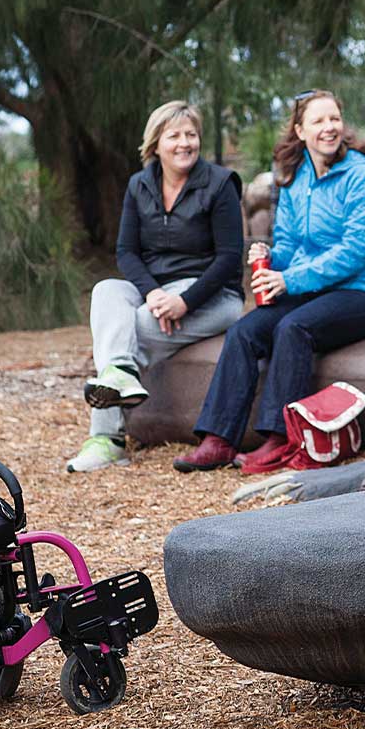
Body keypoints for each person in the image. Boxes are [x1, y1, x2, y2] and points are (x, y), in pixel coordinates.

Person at [173, 90, 365, 472]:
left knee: (293, 327)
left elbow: (354, 252)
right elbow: (290, 243)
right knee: (244, 331)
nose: (329, 128)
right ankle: (219, 439)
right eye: (319, 121)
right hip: (307, 288)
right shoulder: (297, 177)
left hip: (360, 293)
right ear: (300, 130)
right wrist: (272, 259)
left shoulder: (363, 178)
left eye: (334, 119)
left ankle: (279, 439)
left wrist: (290, 278)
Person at [71, 100, 246, 472]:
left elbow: (230, 258)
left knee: (131, 329)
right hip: (155, 290)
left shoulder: (219, 184)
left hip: (212, 294)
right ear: (155, 144)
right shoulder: (139, 185)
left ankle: (107, 439)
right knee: (106, 291)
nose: (185, 143)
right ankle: (119, 373)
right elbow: (126, 251)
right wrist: (152, 292)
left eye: (191, 134)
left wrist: (184, 301)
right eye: (175, 135)